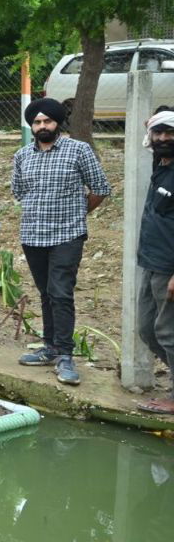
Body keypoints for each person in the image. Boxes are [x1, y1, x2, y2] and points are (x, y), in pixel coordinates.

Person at [12, 97, 112, 386]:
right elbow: (19, 192)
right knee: (45, 293)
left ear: (58, 123)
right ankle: (50, 347)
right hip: (33, 235)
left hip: (67, 235)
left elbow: (101, 188)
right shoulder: (22, 156)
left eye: (47, 121)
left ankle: (66, 355)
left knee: (61, 293)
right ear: (31, 125)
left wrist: (78, 213)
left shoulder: (78, 150)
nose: (42, 126)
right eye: (37, 122)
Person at [137, 106, 174, 414]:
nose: (163, 138)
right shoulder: (161, 163)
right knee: (147, 329)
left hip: (169, 267)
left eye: (169, 133)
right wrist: (149, 124)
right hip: (151, 261)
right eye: (158, 133)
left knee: (168, 332)